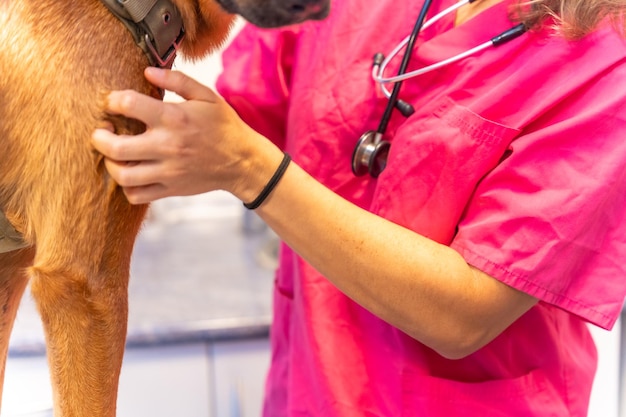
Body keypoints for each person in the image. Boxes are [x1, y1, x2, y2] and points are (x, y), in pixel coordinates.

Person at [91, 0, 626, 415]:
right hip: (311, 387)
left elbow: (464, 315)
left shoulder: (606, 66)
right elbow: (238, 109)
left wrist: (249, 169)